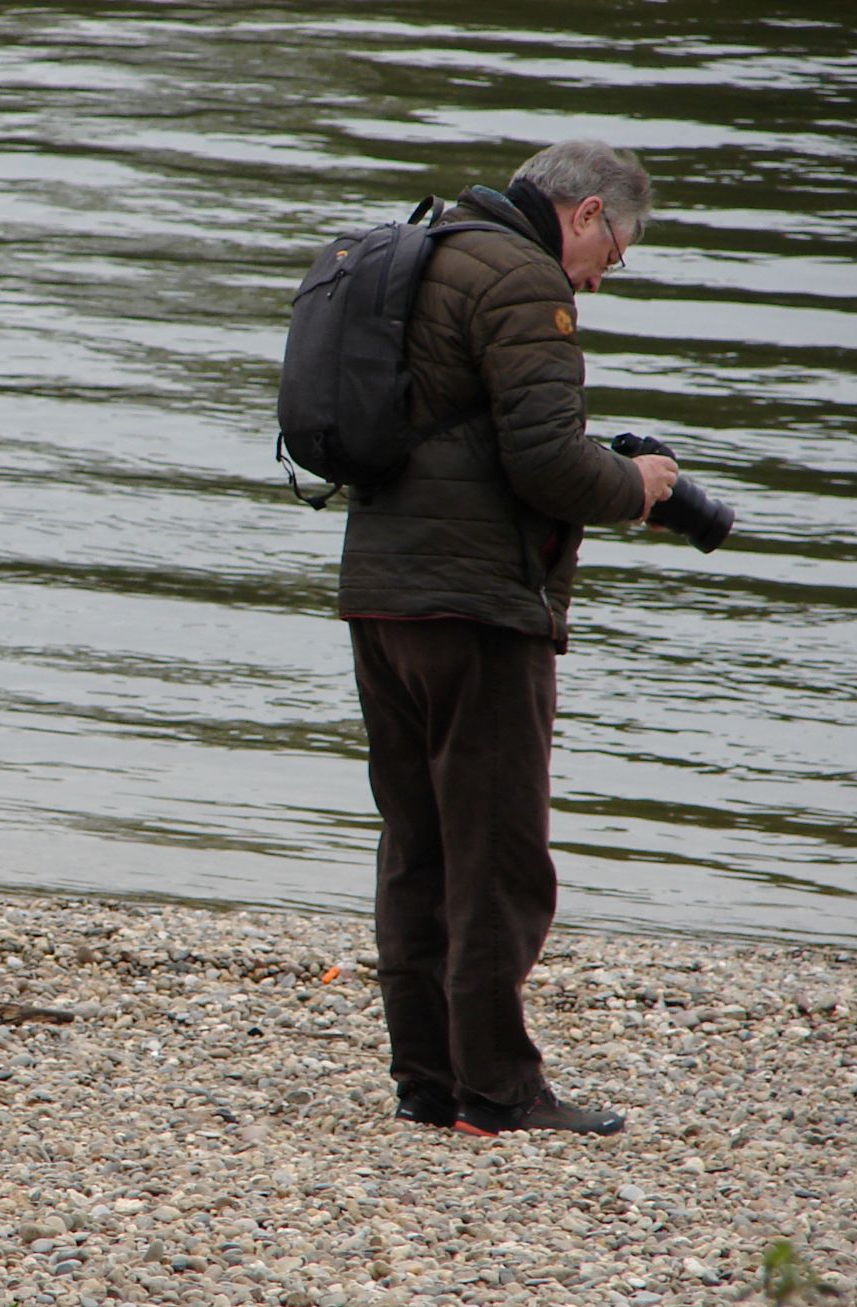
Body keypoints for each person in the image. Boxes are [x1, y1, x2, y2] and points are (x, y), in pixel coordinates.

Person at [338, 140, 679, 1137]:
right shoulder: (524, 278)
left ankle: (427, 1081)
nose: (599, 277)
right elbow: (546, 464)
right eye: (612, 254)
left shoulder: (426, 250)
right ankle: (497, 1091)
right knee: (496, 857)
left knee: (416, 845)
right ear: (586, 214)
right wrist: (638, 486)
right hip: (477, 606)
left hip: (381, 594)